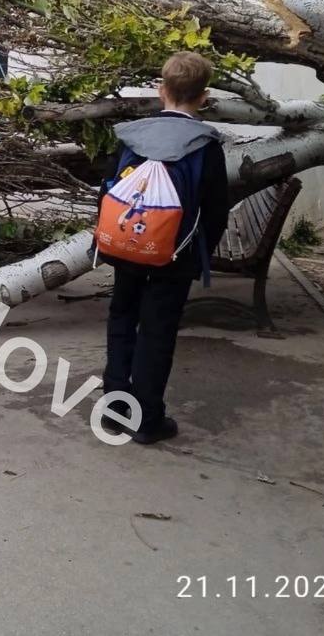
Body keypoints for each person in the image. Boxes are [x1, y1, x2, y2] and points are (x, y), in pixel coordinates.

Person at [99, 52, 230, 444]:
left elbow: (108, 191)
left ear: (161, 91)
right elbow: (216, 210)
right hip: (174, 256)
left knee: (121, 322)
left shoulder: (134, 136)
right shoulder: (205, 146)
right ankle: (146, 420)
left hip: (126, 248)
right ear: (203, 97)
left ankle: (113, 410)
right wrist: (196, 254)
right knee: (157, 334)